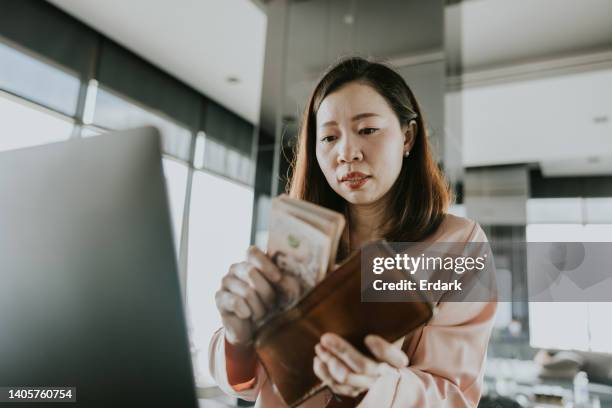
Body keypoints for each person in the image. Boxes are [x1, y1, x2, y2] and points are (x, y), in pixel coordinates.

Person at [209, 57, 497, 407]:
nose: (346, 153)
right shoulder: (300, 236)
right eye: (329, 137)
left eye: (367, 130)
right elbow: (256, 381)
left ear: (407, 137)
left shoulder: (459, 245)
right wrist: (239, 336)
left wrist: (375, 385)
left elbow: (454, 397)